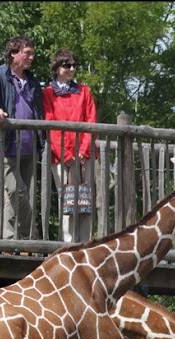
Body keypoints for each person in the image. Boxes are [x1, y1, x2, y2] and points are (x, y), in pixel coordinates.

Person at [0, 36, 45, 240]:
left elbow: (39, 111)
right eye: (27, 53)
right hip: (4, 144)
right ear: (13, 53)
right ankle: (31, 238)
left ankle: (10, 242)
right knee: (17, 191)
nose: (31, 57)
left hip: (29, 146)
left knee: (14, 197)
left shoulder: (33, 81)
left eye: (32, 53)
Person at [43, 48, 98, 243]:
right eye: (67, 65)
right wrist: (66, 156)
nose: (72, 69)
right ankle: (68, 246)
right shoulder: (48, 93)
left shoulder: (85, 91)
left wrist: (82, 152)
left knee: (85, 201)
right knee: (67, 200)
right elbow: (50, 126)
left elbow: (91, 122)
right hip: (60, 157)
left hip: (85, 156)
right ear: (57, 68)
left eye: (74, 65)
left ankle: (85, 245)